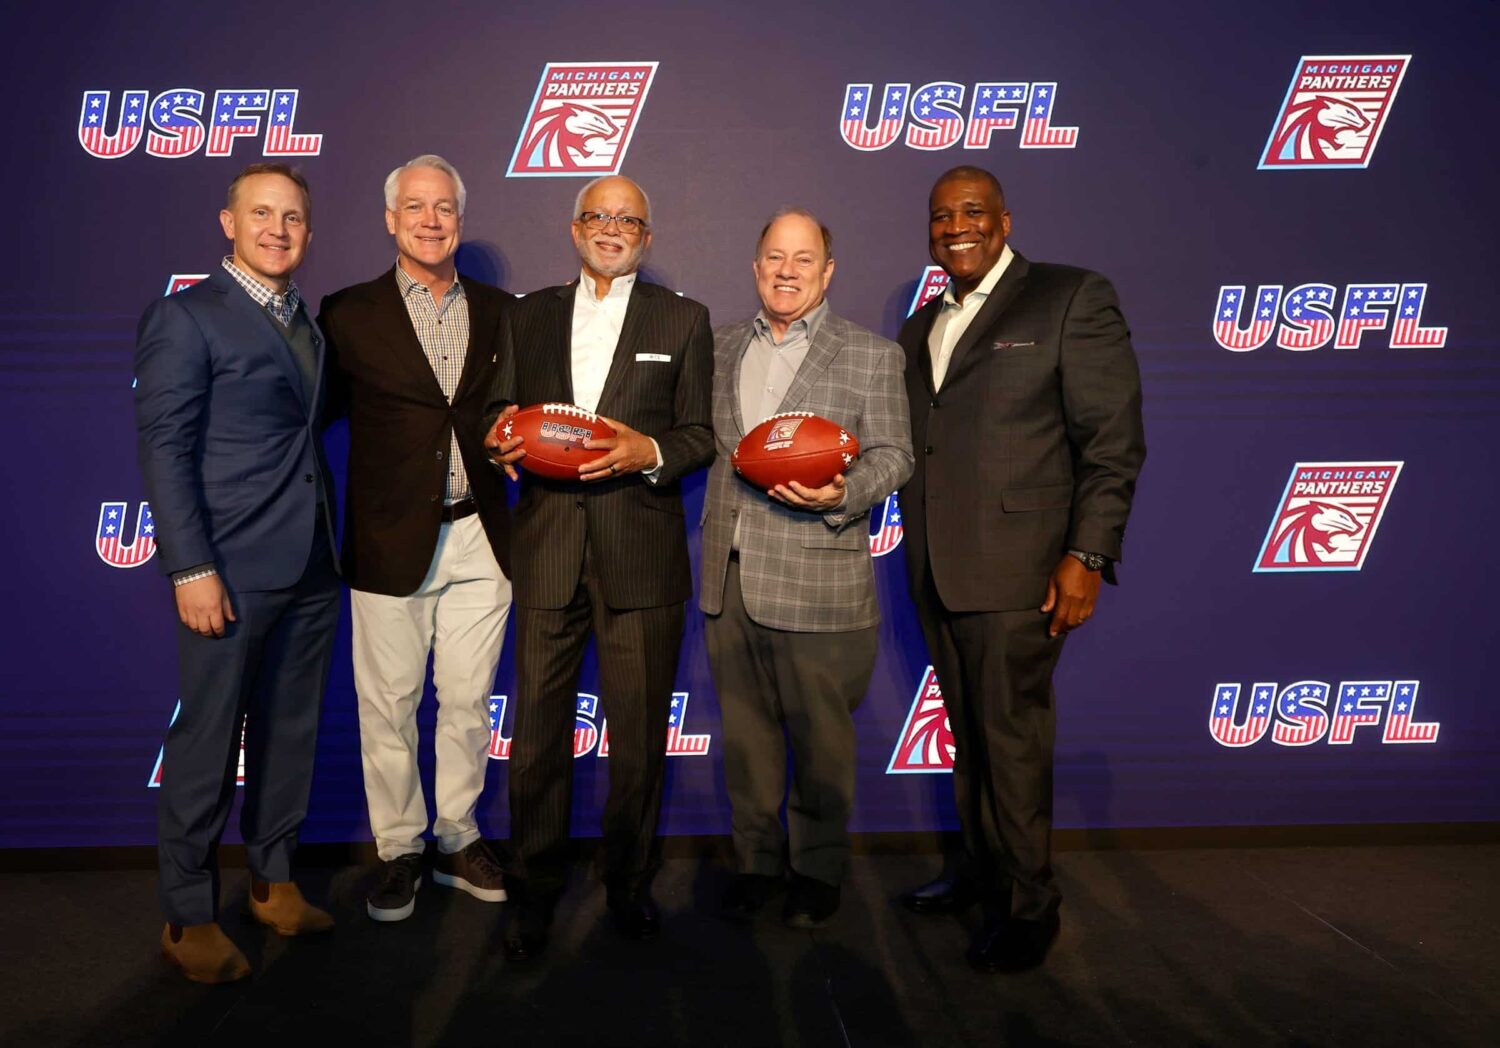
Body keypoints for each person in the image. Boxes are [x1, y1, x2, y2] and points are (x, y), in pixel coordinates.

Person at [897, 166, 1145, 971]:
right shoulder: (922, 325)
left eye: (971, 211)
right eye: (941, 216)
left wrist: (1087, 554)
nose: (955, 226)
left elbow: (1111, 442)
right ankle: (978, 874)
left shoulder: (1070, 298)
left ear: (1004, 221)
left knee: (1011, 741)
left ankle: (1030, 905)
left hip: (1021, 572)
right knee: (971, 737)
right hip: (938, 570)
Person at [482, 175, 713, 960]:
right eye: (597, 215)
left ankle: (628, 883)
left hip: (641, 559)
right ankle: (534, 891)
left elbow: (700, 435)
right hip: (546, 550)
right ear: (573, 227)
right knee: (538, 737)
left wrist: (645, 449)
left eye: (628, 219)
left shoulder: (684, 319)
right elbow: (498, 409)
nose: (611, 228)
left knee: (640, 739)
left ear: (647, 237)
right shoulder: (528, 314)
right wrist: (497, 438)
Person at [135, 163, 340, 983]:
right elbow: (165, 449)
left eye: (292, 217)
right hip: (228, 569)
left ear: (308, 232)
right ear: (229, 223)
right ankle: (187, 919)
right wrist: (190, 566)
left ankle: (273, 882)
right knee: (207, 744)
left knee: (288, 736)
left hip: (312, 564)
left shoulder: (307, 322)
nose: (277, 229)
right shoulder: (187, 317)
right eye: (261, 214)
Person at [700, 209, 912, 927]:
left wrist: (842, 494)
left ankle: (817, 870)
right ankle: (756, 865)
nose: (786, 271)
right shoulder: (720, 347)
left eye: (803, 259)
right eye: (773, 257)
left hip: (819, 578)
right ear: (756, 266)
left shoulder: (871, 355)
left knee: (822, 745)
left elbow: (895, 456)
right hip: (728, 582)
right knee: (747, 742)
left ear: (828, 271)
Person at [318, 155, 513, 922]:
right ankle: (400, 848)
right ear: (391, 220)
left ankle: (459, 835)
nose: (432, 220)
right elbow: (305, 422)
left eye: (445, 209)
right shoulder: (347, 312)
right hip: (386, 538)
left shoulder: (503, 310)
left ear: (459, 221)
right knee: (388, 706)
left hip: (481, 538)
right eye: (416, 207)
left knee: (467, 702)